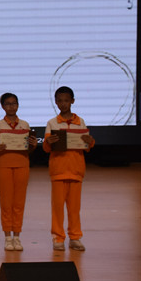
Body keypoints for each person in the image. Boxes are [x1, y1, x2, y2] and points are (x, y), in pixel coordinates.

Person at [43, 86, 94, 251]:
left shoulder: (80, 122)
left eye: (66, 100)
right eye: (60, 101)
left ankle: (75, 237)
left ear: (72, 101)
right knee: (57, 208)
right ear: (56, 102)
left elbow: (87, 145)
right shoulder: (52, 123)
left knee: (74, 209)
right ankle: (58, 237)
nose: (63, 104)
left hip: (76, 170)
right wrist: (48, 142)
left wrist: (90, 141)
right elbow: (46, 147)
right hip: (58, 171)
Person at [0, 93, 35, 251]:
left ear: (18, 105)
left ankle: (17, 236)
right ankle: (7, 236)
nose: (11, 106)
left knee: (19, 202)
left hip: (22, 164)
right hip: (4, 165)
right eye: (8, 104)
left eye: (14, 103)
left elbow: (29, 148)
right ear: (3, 106)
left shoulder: (25, 125)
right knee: (6, 202)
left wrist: (32, 145)